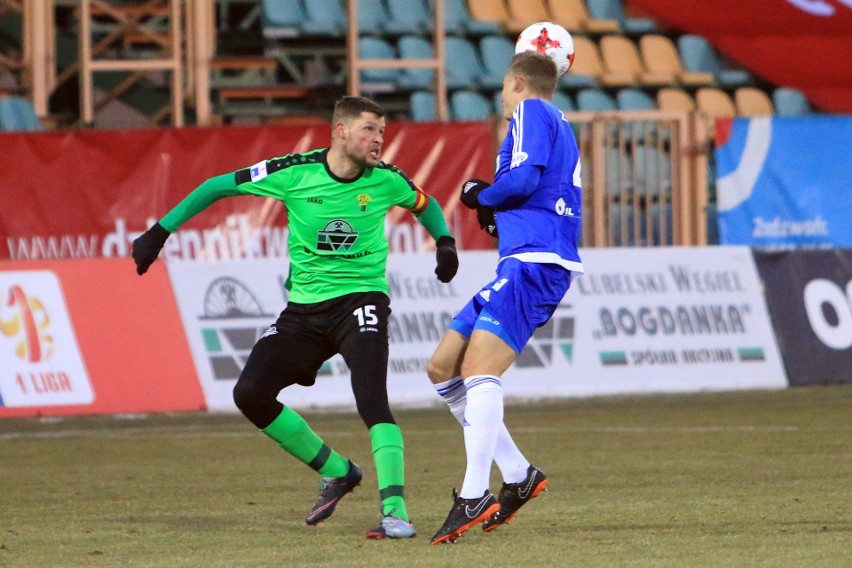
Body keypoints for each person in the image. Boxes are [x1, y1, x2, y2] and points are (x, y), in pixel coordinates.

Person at [131, 96, 459, 540]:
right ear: (340, 131)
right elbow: (214, 186)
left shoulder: (385, 180)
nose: (378, 139)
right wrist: (158, 233)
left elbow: (426, 204)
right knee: (250, 393)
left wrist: (444, 242)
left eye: (381, 132)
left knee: (371, 397)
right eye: (368, 130)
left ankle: (395, 510)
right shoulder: (292, 172)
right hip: (303, 311)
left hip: (362, 300)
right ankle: (339, 472)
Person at [426, 51, 584, 545]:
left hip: (535, 260)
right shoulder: (556, 120)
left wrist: (480, 193)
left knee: (479, 371)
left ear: (517, 81)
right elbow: (536, 187)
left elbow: (524, 178)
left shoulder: (530, 111)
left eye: (503, 84)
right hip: (522, 257)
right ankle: (518, 475)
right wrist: (500, 211)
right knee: (442, 367)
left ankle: (475, 493)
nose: (500, 93)